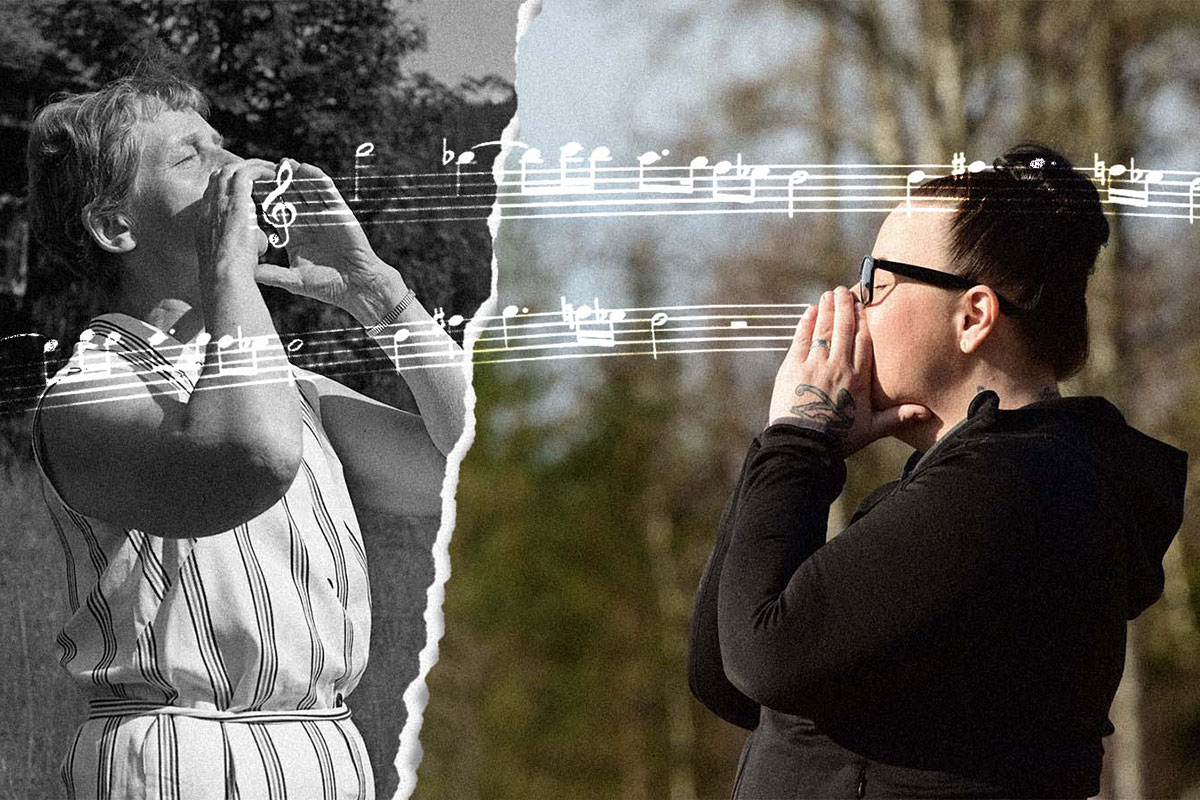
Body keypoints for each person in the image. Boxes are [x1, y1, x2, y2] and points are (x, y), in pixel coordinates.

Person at [687, 144, 1188, 799]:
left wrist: (797, 440)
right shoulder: (993, 480)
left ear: (973, 315)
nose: (855, 307)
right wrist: (796, 452)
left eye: (879, 281)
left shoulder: (1012, 487)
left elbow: (767, 654)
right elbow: (726, 675)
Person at [25, 66, 466, 799]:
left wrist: (383, 298)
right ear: (115, 226)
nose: (233, 170)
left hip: (326, 749)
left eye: (221, 145)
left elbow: (471, 471)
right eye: (188, 158)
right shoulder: (87, 390)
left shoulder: (291, 390)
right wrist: (229, 264)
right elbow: (249, 458)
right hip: (174, 759)